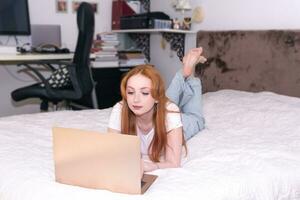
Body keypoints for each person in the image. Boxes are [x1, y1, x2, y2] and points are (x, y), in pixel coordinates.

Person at [108, 48, 206, 172]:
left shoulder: (171, 114)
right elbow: (111, 155)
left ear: (155, 98)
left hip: (172, 118)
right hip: (157, 107)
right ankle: (184, 71)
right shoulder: (120, 109)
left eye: (144, 93)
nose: (136, 100)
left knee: (195, 118)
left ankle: (189, 73)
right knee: (165, 102)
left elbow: (173, 162)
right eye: (131, 92)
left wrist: (149, 166)